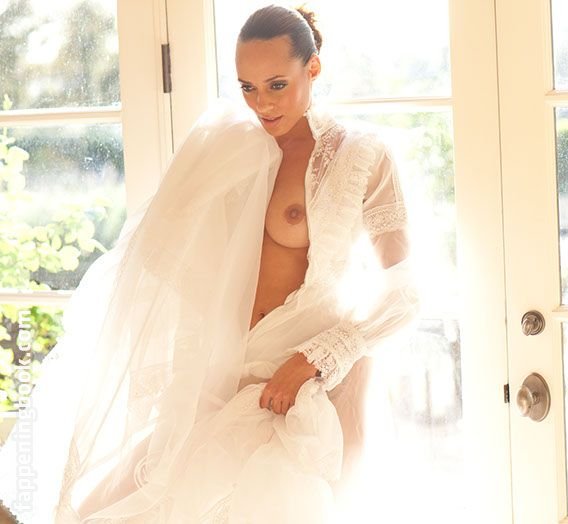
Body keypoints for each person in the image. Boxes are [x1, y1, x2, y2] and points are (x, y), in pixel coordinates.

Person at [0, 5, 419, 522]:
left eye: (277, 85)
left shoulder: (362, 156)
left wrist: (318, 357)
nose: (262, 104)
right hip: (222, 377)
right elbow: (163, 261)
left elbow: (406, 291)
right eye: (247, 88)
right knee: (103, 509)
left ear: (313, 68)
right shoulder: (226, 146)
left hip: (305, 386)